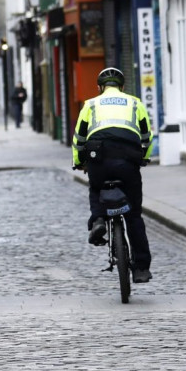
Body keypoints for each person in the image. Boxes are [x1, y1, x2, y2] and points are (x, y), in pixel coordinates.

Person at [72, 67, 154, 283]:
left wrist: (79, 162)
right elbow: (147, 135)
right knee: (134, 215)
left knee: (96, 188)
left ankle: (98, 220)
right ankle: (141, 269)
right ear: (122, 87)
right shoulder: (135, 103)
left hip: (99, 158)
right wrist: (143, 157)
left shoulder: (90, 104)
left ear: (100, 88)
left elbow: (79, 138)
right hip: (127, 160)